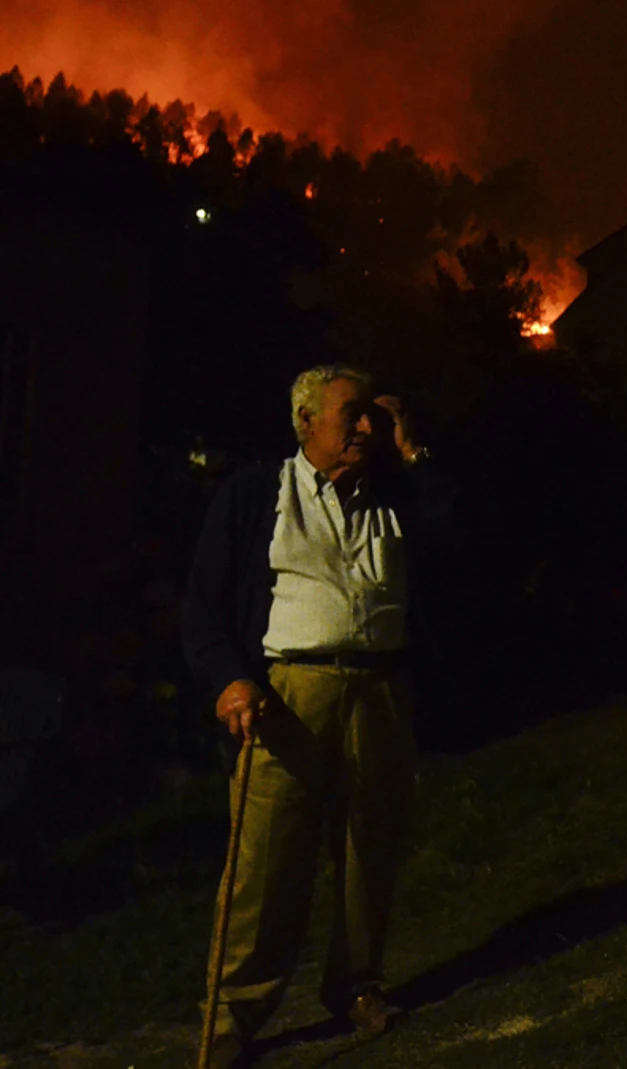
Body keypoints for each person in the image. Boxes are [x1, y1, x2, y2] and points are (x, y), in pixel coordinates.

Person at [180, 365, 461, 1067]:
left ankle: (356, 983)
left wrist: (414, 447)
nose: (364, 425)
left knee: (371, 845)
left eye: (371, 412)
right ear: (306, 421)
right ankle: (232, 1016)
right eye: (351, 413)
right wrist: (230, 680)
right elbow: (204, 606)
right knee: (266, 858)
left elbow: (457, 537)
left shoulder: (394, 488)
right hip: (288, 691)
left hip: (379, 686)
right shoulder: (256, 494)